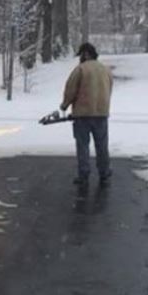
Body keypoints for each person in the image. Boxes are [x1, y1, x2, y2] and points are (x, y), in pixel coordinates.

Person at [60, 43, 113, 188]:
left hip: (82, 115)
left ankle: (83, 175)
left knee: (83, 146)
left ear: (86, 54)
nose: (80, 58)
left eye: (81, 55)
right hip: (101, 113)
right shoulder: (105, 70)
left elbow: (71, 90)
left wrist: (64, 105)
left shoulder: (80, 70)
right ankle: (104, 172)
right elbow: (109, 88)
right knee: (102, 145)